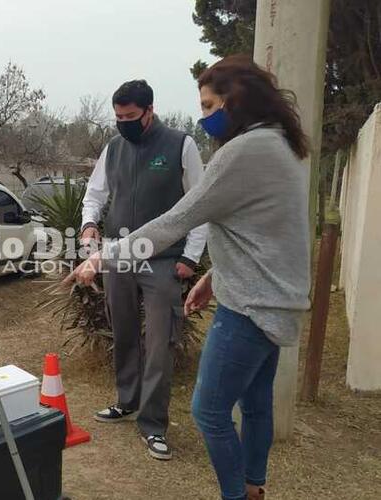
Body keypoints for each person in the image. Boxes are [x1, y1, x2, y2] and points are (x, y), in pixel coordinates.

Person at [66, 55, 311, 500]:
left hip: (241, 301)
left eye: (208, 105)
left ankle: (228, 486)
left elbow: (179, 219)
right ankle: (254, 486)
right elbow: (265, 234)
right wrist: (215, 277)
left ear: (235, 101)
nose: (204, 116)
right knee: (254, 404)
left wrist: (101, 258)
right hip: (269, 296)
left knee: (209, 409)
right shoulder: (277, 144)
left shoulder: (234, 149)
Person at [80, 79, 207, 461]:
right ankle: (126, 400)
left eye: (130, 117)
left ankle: (153, 425)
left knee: (159, 344)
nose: (123, 123)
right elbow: (95, 193)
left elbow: (199, 204)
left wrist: (191, 257)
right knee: (123, 332)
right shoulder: (114, 147)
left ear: (149, 111)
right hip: (118, 258)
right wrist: (89, 223)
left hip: (164, 261)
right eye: (118, 117)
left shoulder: (180, 145)